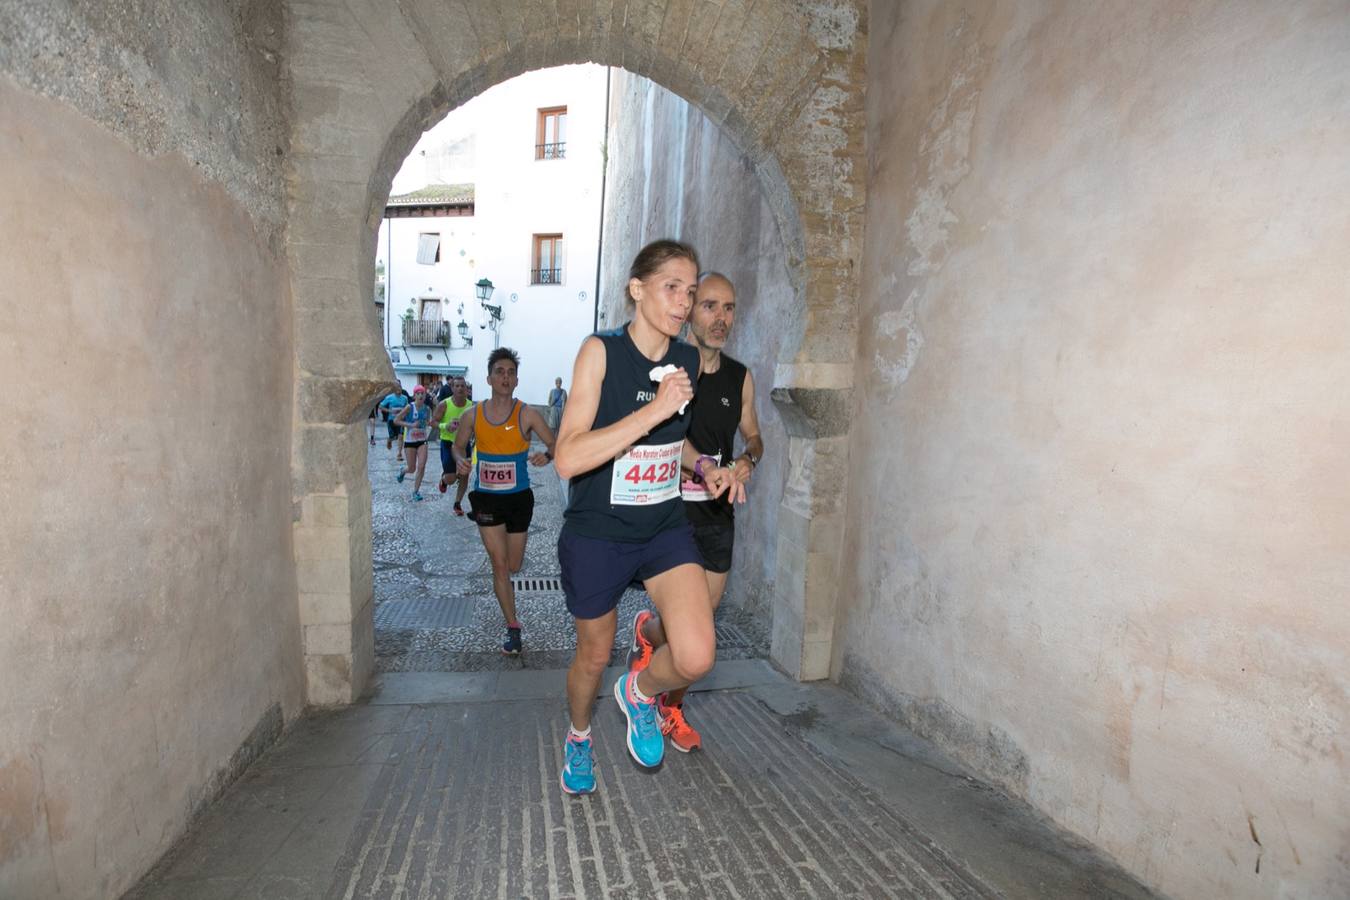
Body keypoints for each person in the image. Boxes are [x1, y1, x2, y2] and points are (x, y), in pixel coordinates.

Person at [552, 240, 744, 795]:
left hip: (662, 527)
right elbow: (568, 456)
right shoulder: (601, 352)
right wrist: (653, 409)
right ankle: (580, 736)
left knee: (696, 655)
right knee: (593, 654)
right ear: (638, 290)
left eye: (691, 290)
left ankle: (638, 692)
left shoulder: (684, 360)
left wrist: (705, 465)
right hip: (598, 533)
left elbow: (674, 441)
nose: (685, 303)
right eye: (672, 288)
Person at [627, 271, 763, 753]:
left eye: (728, 308)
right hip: (671, 513)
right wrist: (702, 466)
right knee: (697, 633)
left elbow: (754, 435)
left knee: (700, 621)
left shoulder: (740, 378)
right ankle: (664, 700)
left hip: (718, 516)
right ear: (689, 312)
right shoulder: (668, 369)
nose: (720, 318)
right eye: (709, 306)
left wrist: (747, 461)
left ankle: (655, 653)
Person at [453, 348, 556, 655]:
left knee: (514, 564)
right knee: (499, 565)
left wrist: (547, 456)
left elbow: (555, 442)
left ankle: (507, 592)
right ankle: (513, 627)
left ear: (516, 380)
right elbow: (458, 447)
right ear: (488, 378)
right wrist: (460, 461)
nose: (505, 377)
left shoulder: (527, 413)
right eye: (499, 371)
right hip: (485, 498)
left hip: (519, 500)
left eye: (510, 372)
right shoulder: (472, 415)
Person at [431, 375, 473, 515]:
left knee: (464, 474)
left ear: (466, 389)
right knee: (451, 478)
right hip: (448, 443)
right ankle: (444, 480)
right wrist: (445, 426)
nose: (460, 388)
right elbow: (433, 422)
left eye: (463, 386)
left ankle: (457, 503)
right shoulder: (444, 404)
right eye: (457, 386)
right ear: (452, 388)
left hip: (464, 444)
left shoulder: (470, 405)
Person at [392, 386, 434, 500]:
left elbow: (427, 422)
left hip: (422, 441)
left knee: (421, 466)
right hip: (410, 441)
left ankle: (415, 491)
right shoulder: (409, 407)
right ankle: (403, 471)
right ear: (414, 395)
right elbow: (396, 420)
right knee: (412, 469)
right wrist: (410, 425)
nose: (421, 396)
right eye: (418, 393)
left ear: (425, 396)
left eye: (423, 393)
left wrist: (430, 423)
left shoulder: (427, 409)